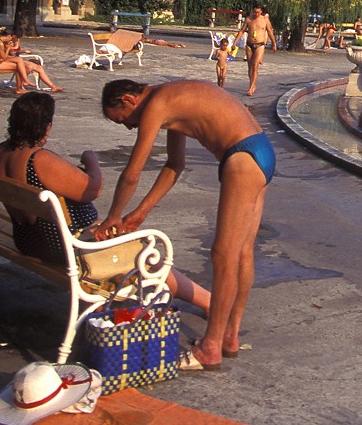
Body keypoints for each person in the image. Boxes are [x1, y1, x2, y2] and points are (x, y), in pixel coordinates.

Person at [98, 79, 274, 371]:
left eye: (124, 121)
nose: (129, 128)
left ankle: (210, 348)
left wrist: (113, 216)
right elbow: (173, 165)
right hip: (260, 151)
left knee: (223, 256)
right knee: (242, 252)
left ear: (129, 100)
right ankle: (229, 337)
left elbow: (132, 172)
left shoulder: (156, 105)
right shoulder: (169, 100)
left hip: (241, 158)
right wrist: (140, 213)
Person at [0, 92, 211, 313]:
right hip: (63, 248)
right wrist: (91, 161)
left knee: (113, 237)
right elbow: (91, 189)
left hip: (28, 240)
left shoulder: (0, 152)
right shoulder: (38, 159)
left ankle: (98, 308)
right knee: (145, 254)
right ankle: (208, 302)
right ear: (45, 126)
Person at [0, 28, 65, 93]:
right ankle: (21, 86)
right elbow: (3, 57)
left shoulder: (4, 42)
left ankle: (52, 86)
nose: (12, 39)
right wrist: (9, 48)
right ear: (9, 36)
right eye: (12, 37)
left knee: (38, 67)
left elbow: (11, 54)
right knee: (23, 65)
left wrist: (15, 50)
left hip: (4, 60)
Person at [233, 4, 275, 97]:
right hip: (249, 44)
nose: (256, 14)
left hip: (260, 45)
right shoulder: (249, 19)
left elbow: (270, 31)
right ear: (253, 11)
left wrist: (274, 43)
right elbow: (242, 31)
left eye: (258, 12)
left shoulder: (265, 20)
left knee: (255, 65)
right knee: (250, 66)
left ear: (261, 12)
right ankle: (251, 83)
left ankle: (252, 87)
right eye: (255, 12)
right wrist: (235, 42)